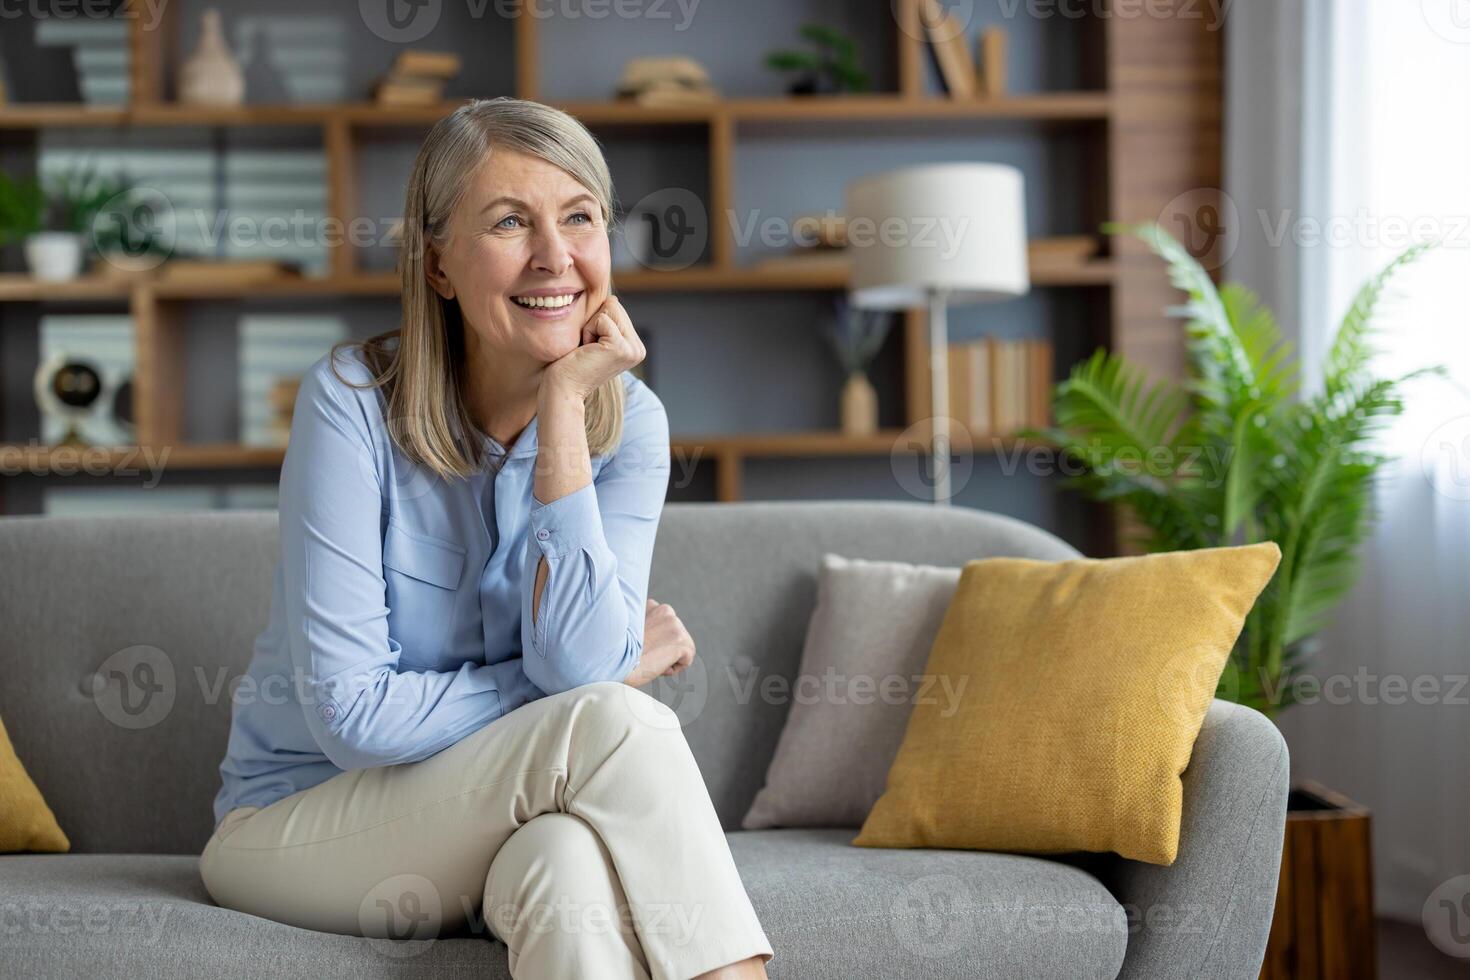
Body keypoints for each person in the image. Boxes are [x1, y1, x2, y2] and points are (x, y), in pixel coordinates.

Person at [198, 96, 774, 980]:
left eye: (579, 217)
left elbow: (573, 672)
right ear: (437, 265)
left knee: (566, 868)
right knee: (618, 719)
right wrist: (583, 682)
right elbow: (356, 719)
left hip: (485, 826)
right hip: (297, 827)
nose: (556, 257)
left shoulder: (632, 424)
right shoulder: (350, 403)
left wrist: (563, 412)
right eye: (510, 221)